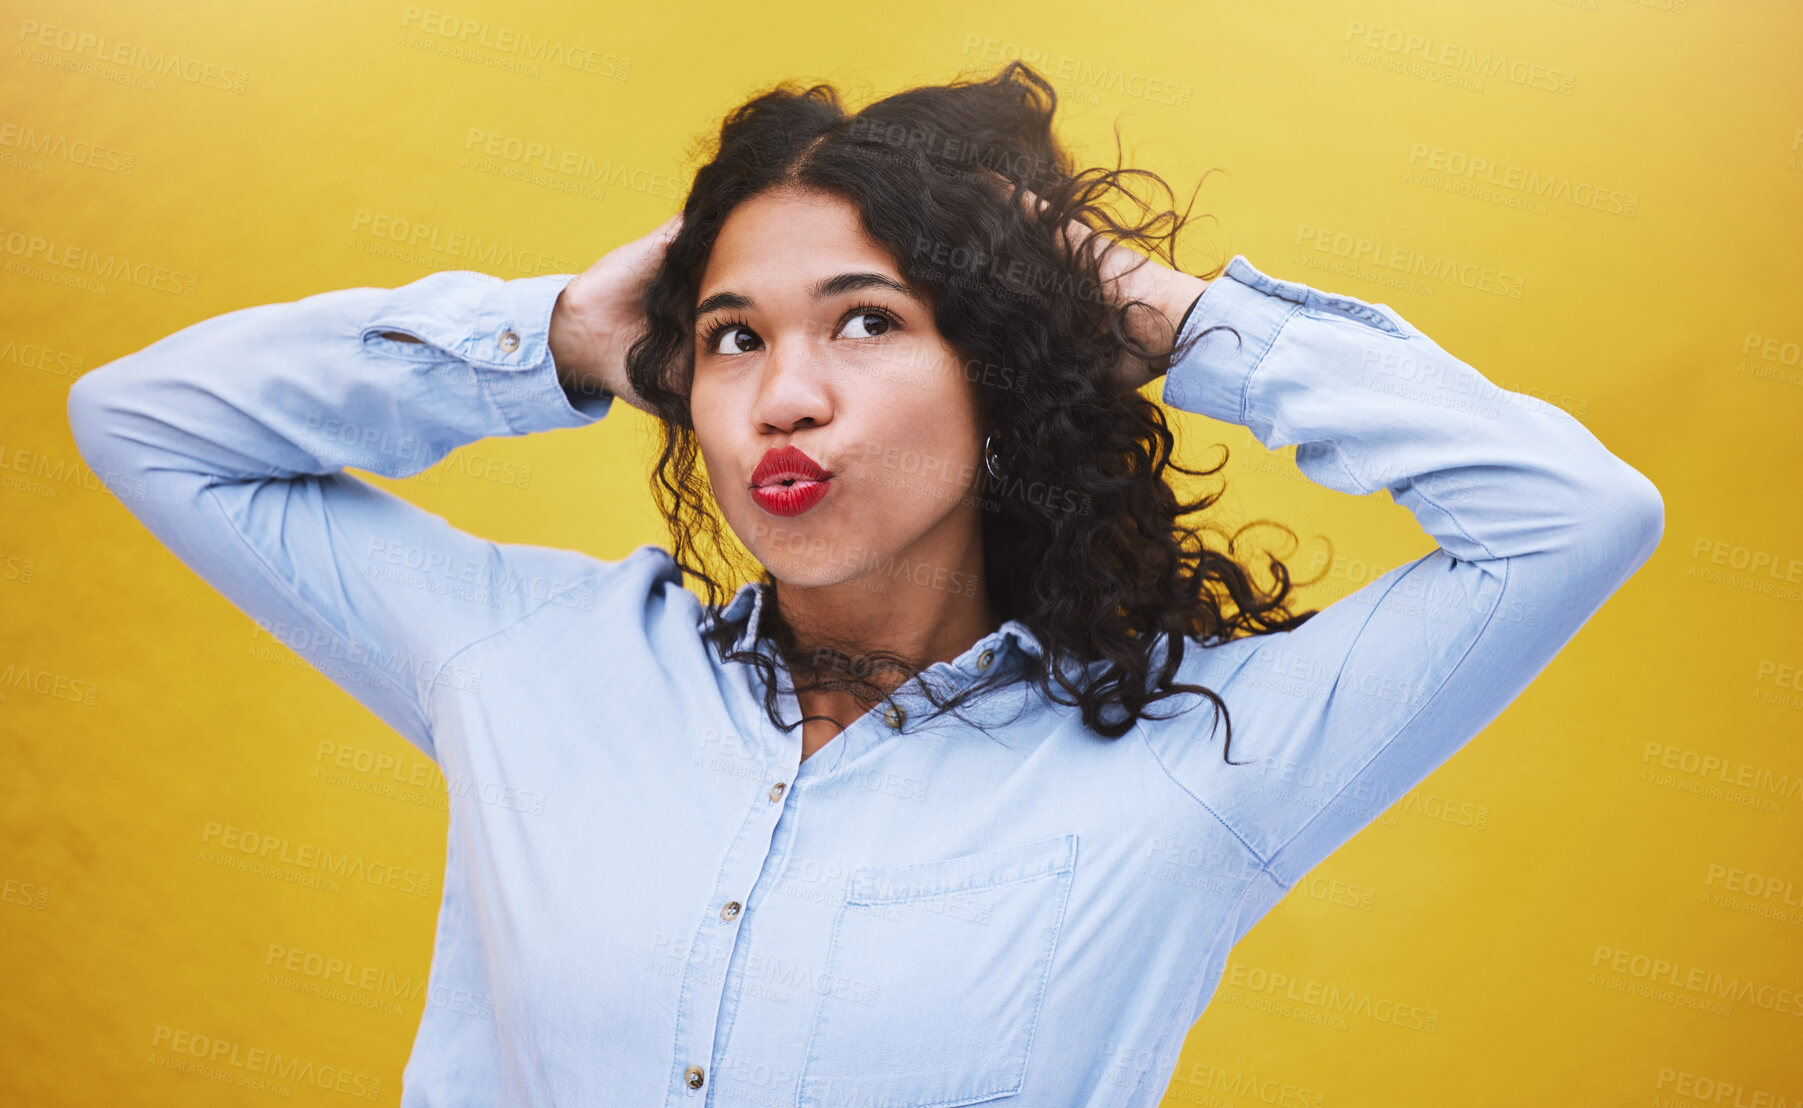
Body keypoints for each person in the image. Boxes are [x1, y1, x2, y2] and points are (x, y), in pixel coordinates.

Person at [68, 62, 1662, 1108]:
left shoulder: (1201, 766)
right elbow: (143, 422)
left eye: (869, 321)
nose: (783, 395)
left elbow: (1572, 516)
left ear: (1004, 370)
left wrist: (1153, 309)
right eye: (736, 336)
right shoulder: (531, 665)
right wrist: (560, 329)